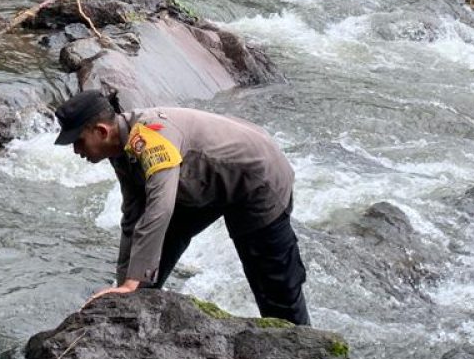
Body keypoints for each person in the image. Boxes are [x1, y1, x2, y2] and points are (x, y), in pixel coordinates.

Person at [53, 89, 310, 325]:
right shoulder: (120, 149)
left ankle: (303, 353)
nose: (76, 150)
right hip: (199, 181)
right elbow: (133, 217)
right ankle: (134, 307)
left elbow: (160, 208)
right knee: (142, 278)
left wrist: (131, 281)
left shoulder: (150, 139)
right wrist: (124, 286)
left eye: (78, 141)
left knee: (274, 285)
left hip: (257, 179)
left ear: (101, 131)